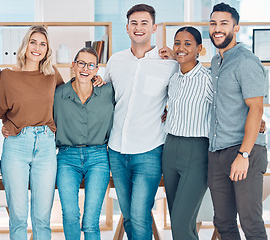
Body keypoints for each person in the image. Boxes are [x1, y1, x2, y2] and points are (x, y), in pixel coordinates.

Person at [103, 4, 178, 240]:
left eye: (144, 23)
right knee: (127, 216)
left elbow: (188, 96)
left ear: (154, 28)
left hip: (149, 151)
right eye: (134, 23)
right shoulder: (115, 61)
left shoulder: (170, 64)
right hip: (116, 149)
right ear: (127, 28)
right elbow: (99, 95)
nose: (139, 27)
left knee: (140, 215)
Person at [0, 25, 64, 240]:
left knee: (42, 218)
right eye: (33, 42)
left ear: (47, 49)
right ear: (25, 45)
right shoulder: (7, 76)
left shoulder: (53, 76)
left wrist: (95, 80)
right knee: (18, 217)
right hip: (16, 145)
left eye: (43, 44)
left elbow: (71, 102)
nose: (37, 48)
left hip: (45, 146)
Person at [208, 3, 268, 240]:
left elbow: (256, 109)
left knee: (250, 222)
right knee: (223, 222)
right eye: (213, 23)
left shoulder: (246, 61)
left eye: (224, 23)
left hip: (244, 151)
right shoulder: (215, 62)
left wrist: (243, 155)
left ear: (236, 27)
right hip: (217, 152)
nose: (217, 29)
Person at [54, 47, 114, 240]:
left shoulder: (107, 92)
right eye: (81, 63)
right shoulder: (58, 95)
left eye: (91, 65)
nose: (85, 68)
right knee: (70, 216)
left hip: (98, 157)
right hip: (66, 158)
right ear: (73, 66)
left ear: (97, 70)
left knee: (90, 221)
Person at [160, 27, 213, 240]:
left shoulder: (208, 79)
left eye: (188, 44)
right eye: (177, 43)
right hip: (170, 148)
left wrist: (258, 120)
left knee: (181, 224)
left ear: (199, 48)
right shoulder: (173, 78)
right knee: (180, 222)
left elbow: (229, 106)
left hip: (196, 151)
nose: (181, 48)